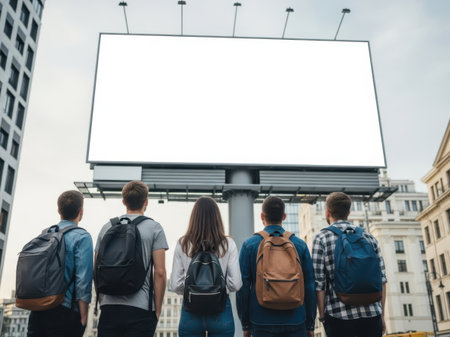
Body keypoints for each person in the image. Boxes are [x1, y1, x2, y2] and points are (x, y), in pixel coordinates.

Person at [96, 180, 168, 337]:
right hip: (140, 309)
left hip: (109, 307)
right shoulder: (154, 228)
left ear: (123, 201)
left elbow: (96, 268)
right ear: (146, 201)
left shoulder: (107, 227)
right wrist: (157, 308)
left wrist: (102, 301)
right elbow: (160, 272)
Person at [237, 196, 316, 337]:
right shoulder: (300, 245)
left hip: (261, 320)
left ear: (262, 216)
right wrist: (310, 324)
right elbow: (310, 286)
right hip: (296, 319)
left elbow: (243, 288)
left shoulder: (249, 245)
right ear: (284, 216)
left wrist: (246, 324)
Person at [312, 192, 387, 337]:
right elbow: (382, 280)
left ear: (328, 212)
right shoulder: (369, 237)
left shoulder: (321, 238)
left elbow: (318, 284)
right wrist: (381, 315)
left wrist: (322, 316)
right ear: (349, 212)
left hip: (338, 316)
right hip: (372, 315)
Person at [170, 196, 242, 337]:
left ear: (194, 218)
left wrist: (195, 290)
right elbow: (236, 284)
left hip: (190, 312)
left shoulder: (183, 244)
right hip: (220, 312)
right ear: (217, 218)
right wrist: (218, 289)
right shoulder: (228, 244)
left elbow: (175, 285)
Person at [27, 190, 93, 337]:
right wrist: (83, 315)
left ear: (59, 210)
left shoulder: (45, 234)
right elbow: (83, 280)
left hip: (38, 309)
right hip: (65, 311)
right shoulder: (82, 237)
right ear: (81, 212)